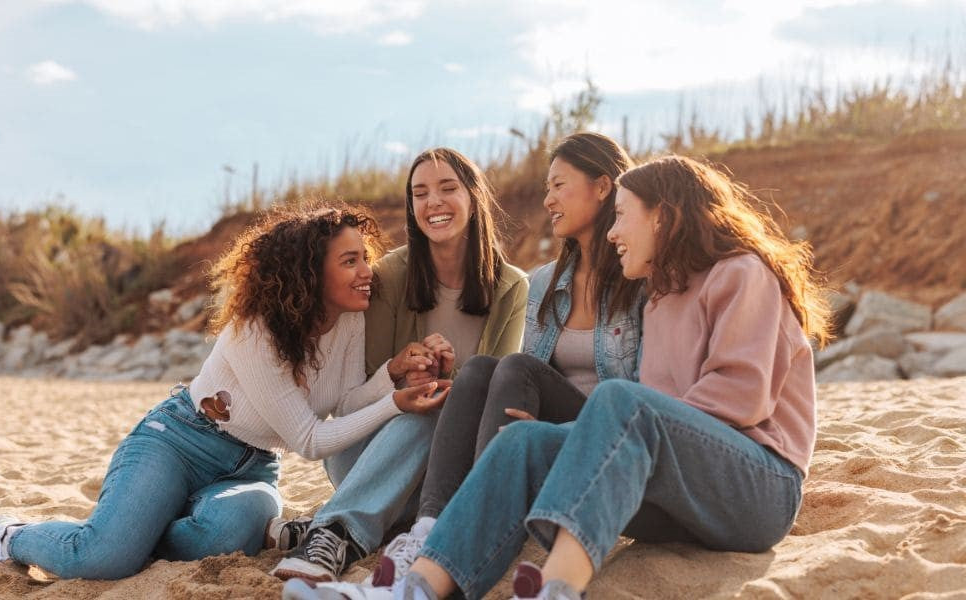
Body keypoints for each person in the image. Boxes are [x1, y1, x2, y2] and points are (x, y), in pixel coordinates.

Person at [288, 154, 831, 599]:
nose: (614, 232)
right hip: (679, 491)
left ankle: (556, 590)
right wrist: (572, 438)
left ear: (662, 216)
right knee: (522, 439)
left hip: (757, 489)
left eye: (622, 215)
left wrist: (590, 435)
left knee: (621, 402)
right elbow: (654, 420)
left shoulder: (742, 274)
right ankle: (414, 591)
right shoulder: (663, 297)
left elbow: (739, 399)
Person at [0, 205, 449, 580]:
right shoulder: (257, 328)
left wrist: (391, 377)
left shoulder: (347, 321)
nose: (367, 273)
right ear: (311, 271)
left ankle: (138, 527)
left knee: (232, 535)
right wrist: (394, 403)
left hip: (253, 463)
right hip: (180, 440)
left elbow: (341, 404)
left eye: (365, 258)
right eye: (350, 261)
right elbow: (309, 440)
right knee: (103, 558)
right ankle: (11, 535)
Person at [364, 132, 646, 587]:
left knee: (510, 365)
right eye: (546, 187)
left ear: (602, 186)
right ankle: (430, 527)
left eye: (558, 185)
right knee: (479, 368)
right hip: (548, 435)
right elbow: (528, 378)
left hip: (606, 436)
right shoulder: (544, 284)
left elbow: (644, 397)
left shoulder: (641, 278)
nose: (547, 198)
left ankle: (468, 531)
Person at [269, 148, 529, 582]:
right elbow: (352, 402)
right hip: (364, 454)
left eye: (448, 188)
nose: (434, 203)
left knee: (437, 402)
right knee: (423, 403)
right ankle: (338, 529)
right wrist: (396, 372)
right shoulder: (390, 275)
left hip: (445, 475)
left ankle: (329, 529)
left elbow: (495, 394)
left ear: (474, 196)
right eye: (420, 193)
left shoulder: (511, 287)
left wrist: (450, 378)